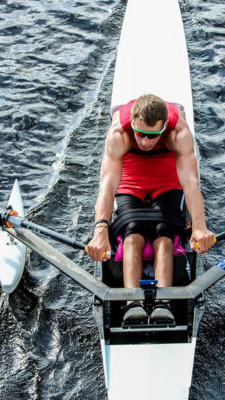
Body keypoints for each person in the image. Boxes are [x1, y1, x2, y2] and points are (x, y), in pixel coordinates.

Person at [86, 94, 214, 323]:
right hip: (131, 176)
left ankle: (164, 305)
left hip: (167, 175)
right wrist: (100, 231)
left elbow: (191, 183)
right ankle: (131, 304)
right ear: (132, 124)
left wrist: (199, 228)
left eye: (152, 135)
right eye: (139, 133)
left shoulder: (179, 134)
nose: (145, 141)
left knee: (164, 232)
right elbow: (107, 184)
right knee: (131, 232)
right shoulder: (119, 134)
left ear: (163, 127)